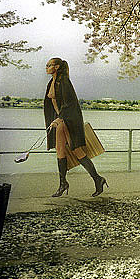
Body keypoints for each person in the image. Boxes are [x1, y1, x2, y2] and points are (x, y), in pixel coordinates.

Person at [44, 58, 108, 197]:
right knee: (60, 151)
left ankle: (98, 179)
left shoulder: (64, 81)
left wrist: (60, 117)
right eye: (46, 65)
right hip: (61, 120)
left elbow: (70, 103)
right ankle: (63, 184)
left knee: (77, 151)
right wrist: (54, 119)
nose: (46, 67)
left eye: (49, 65)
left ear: (57, 66)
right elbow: (54, 105)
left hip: (69, 119)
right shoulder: (52, 82)